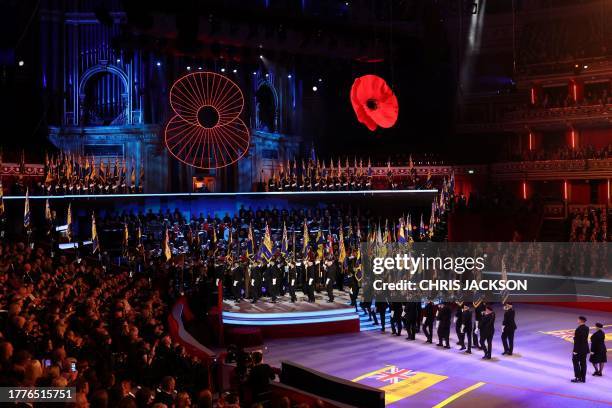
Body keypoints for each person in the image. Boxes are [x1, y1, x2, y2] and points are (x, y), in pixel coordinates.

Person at [571, 316, 589, 383]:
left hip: (578, 349)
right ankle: (583, 378)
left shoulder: (578, 329)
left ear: (581, 320)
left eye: (578, 319)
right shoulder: (587, 328)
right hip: (585, 349)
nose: (577, 320)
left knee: (575, 362)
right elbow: (583, 339)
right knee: (583, 363)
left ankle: (578, 377)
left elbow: (578, 341)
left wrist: (575, 351)